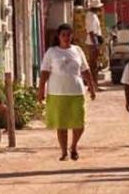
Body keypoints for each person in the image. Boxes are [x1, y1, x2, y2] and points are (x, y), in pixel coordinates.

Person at [38, 24, 96, 161]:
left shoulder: (77, 50)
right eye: (63, 35)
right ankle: (64, 152)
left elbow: (85, 70)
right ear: (58, 36)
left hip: (76, 91)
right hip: (57, 93)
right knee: (61, 124)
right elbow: (45, 72)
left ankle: (74, 146)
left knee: (79, 124)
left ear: (72, 36)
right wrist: (41, 90)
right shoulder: (52, 52)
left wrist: (92, 88)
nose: (66, 37)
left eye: (69, 35)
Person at [86, 0, 105, 92]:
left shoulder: (93, 16)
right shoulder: (91, 16)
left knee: (95, 65)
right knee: (93, 65)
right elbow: (91, 32)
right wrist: (96, 44)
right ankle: (92, 85)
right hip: (93, 42)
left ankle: (94, 84)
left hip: (95, 41)